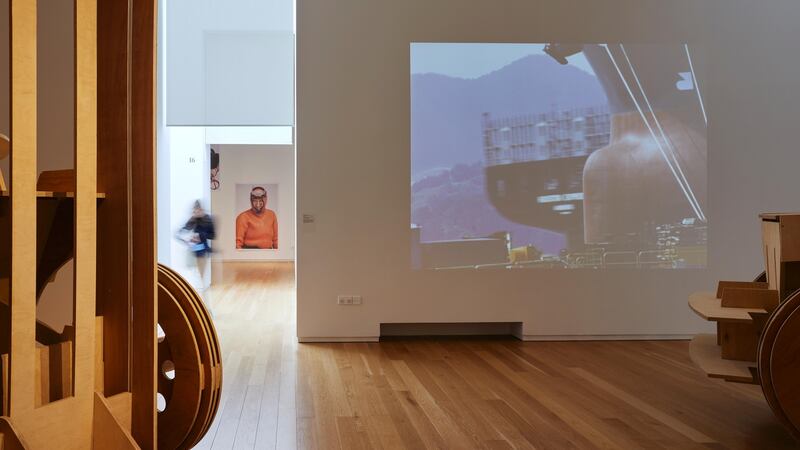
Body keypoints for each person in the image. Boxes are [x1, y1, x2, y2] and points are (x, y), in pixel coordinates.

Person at [180, 201, 216, 288]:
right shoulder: (193, 219)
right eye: (194, 211)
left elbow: (213, 235)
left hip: (203, 249)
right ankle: (198, 284)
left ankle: (202, 285)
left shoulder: (208, 219)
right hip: (194, 248)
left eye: (197, 210)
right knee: (191, 267)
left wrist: (201, 235)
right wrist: (188, 237)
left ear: (201, 209)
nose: (196, 212)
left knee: (201, 268)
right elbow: (184, 230)